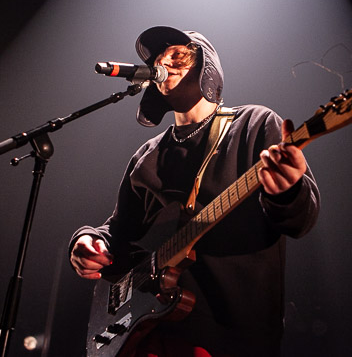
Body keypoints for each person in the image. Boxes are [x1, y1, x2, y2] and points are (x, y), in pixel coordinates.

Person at [69, 26, 320, 356]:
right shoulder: (146, 157)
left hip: (230, 334)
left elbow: (302, 221)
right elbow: (118, 230)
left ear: (207, 68)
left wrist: (286, 192)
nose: (164, 63)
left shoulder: (254, 125)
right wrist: (89, 241)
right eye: (159, 59)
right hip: (151, 331)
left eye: (177, 56)